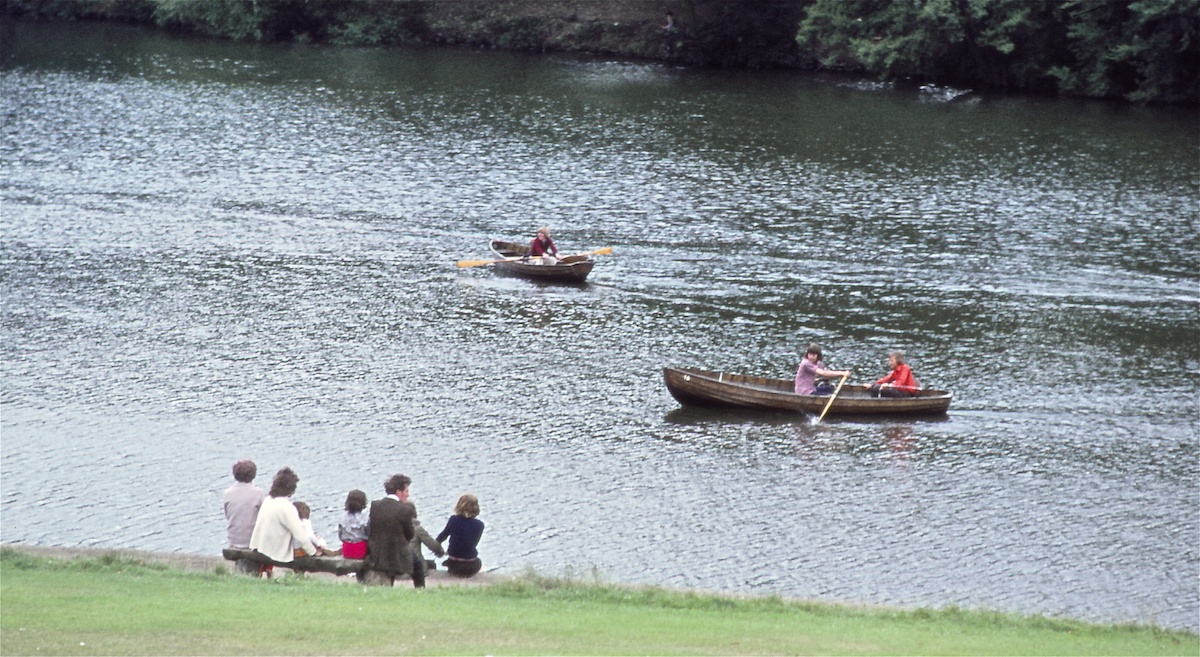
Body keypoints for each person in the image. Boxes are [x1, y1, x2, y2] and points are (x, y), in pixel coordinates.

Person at [248, 467, 318, 576]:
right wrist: (313, 552)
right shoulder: (286, 506)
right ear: (291, 489)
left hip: (261, 547)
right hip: (276, 552)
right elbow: (300, 535)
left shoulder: (268, 500)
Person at [363, 474, 418, 587]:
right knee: (418, 564)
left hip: (376, 551)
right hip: (395, 552)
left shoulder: (375, 506)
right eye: (406, 491)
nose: (408, 495)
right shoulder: (405, 510)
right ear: (399, 492)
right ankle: (420, 589)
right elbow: (410, 534)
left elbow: (371, 528)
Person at [222, 459, 266, 575]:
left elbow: (228, 515)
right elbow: (264, 518)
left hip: (234, 539)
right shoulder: (259, 493)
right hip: (252, 542)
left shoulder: (227, 493)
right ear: (253, 475)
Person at [436, 494, 485, 578]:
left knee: (452, 560)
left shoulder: (453, 520)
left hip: (454, 563)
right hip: (470, 564)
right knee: (478, 562)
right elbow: (471, 544)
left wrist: (440, 551)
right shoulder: (480, 525)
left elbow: (440, 538)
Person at [337, 489, 370, 560]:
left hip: (347, 549)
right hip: (360, 549)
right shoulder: (364, 518)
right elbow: (368, 535)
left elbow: (340, 536)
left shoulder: (343, 517)